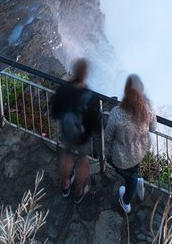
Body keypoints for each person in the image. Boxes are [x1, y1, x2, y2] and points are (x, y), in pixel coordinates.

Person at [104, 73, 157, 215]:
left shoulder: (117, 113)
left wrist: (107, 153)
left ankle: (126, 202)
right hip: (141, 150)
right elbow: (153, 128)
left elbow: (108, 136)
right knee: (133, 171)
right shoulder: (148, 107)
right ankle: (138, 182)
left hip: (123, 156)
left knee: (129, 177)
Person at [50, 57, 100, 202]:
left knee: (67, 155)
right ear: (85, 74)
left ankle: (65, 184)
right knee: (83, 160)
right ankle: (79, 190)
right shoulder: (90, 96)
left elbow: (54, 111)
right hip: (82, 135)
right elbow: (94, 121)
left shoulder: (63, 89)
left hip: (67, 131)